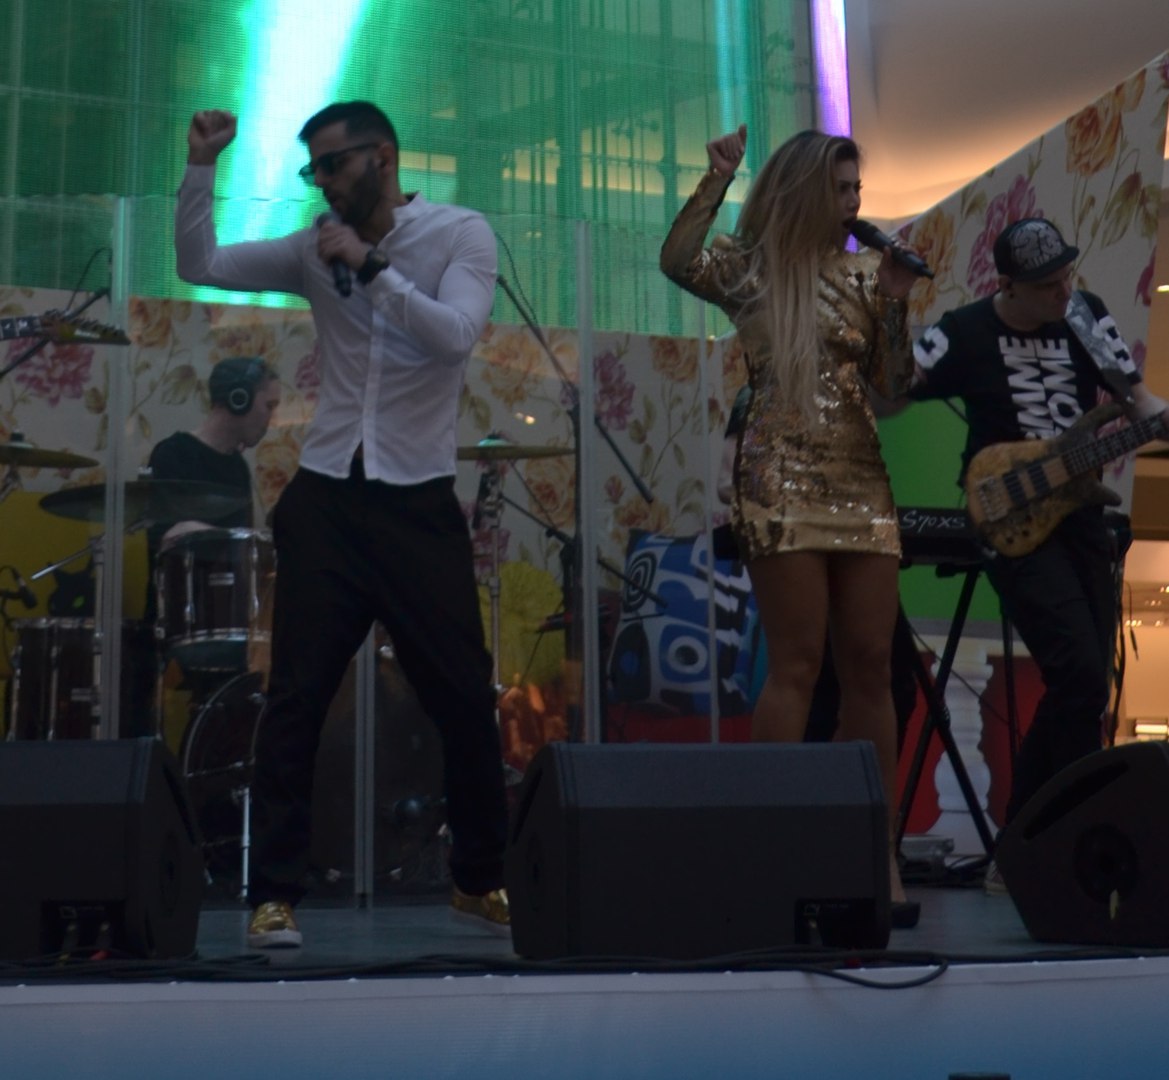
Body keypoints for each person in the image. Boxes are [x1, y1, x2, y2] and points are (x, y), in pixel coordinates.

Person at [175, 101, 509, 948]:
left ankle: (479, 880)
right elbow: (198, 262)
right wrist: (202, 166)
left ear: (382, 157)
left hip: (417, 502)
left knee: (463, 694)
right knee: (296, 698)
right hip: (326, 497)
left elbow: (454, 336)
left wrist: (372, 267)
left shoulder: (460, 234)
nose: (320, 183)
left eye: (332, 164)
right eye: (312, 169)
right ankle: (273, 897)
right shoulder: (309, 249)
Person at [661, 124, 921, 925]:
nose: (853, 202)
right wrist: (715, 179)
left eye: (857, 190)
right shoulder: (749, 269)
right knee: (798, 663)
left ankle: (872, 849)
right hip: (778, 473)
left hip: (858, 475)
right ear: (807, 192)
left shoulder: (864, 274)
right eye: (840, 189)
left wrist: (895, 301)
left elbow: (893, 387)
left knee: (870, 663)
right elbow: (676, 259)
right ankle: (770, 841)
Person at [909, 217, 1168, 892]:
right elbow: (888, 391)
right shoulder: (965, 330)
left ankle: (1040, 847)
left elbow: (1138, 401)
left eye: (1065, 277)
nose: (1063, 292)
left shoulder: (1084, 314)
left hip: (1079, 516)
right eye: (1048, 285)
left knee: (1087, 686)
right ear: (1008, 286)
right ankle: (1037, 843)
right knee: (1077, 670)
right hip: (1011, 519)